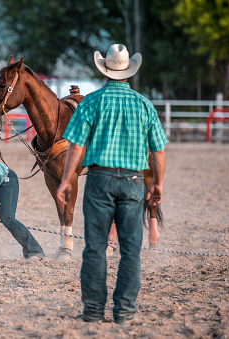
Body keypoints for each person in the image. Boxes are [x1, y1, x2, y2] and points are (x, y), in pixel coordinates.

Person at [57, 44, 168, 323]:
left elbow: (75, 146)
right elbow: (159, 151)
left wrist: (66, 180)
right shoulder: (144, 104)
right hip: (133, 180)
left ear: (105, 71)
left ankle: (93, 310)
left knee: (95, 247)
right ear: (128, 72)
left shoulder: (92, 102)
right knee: (131, 250)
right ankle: (125, 310)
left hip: (98, 179)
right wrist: (158, 184)